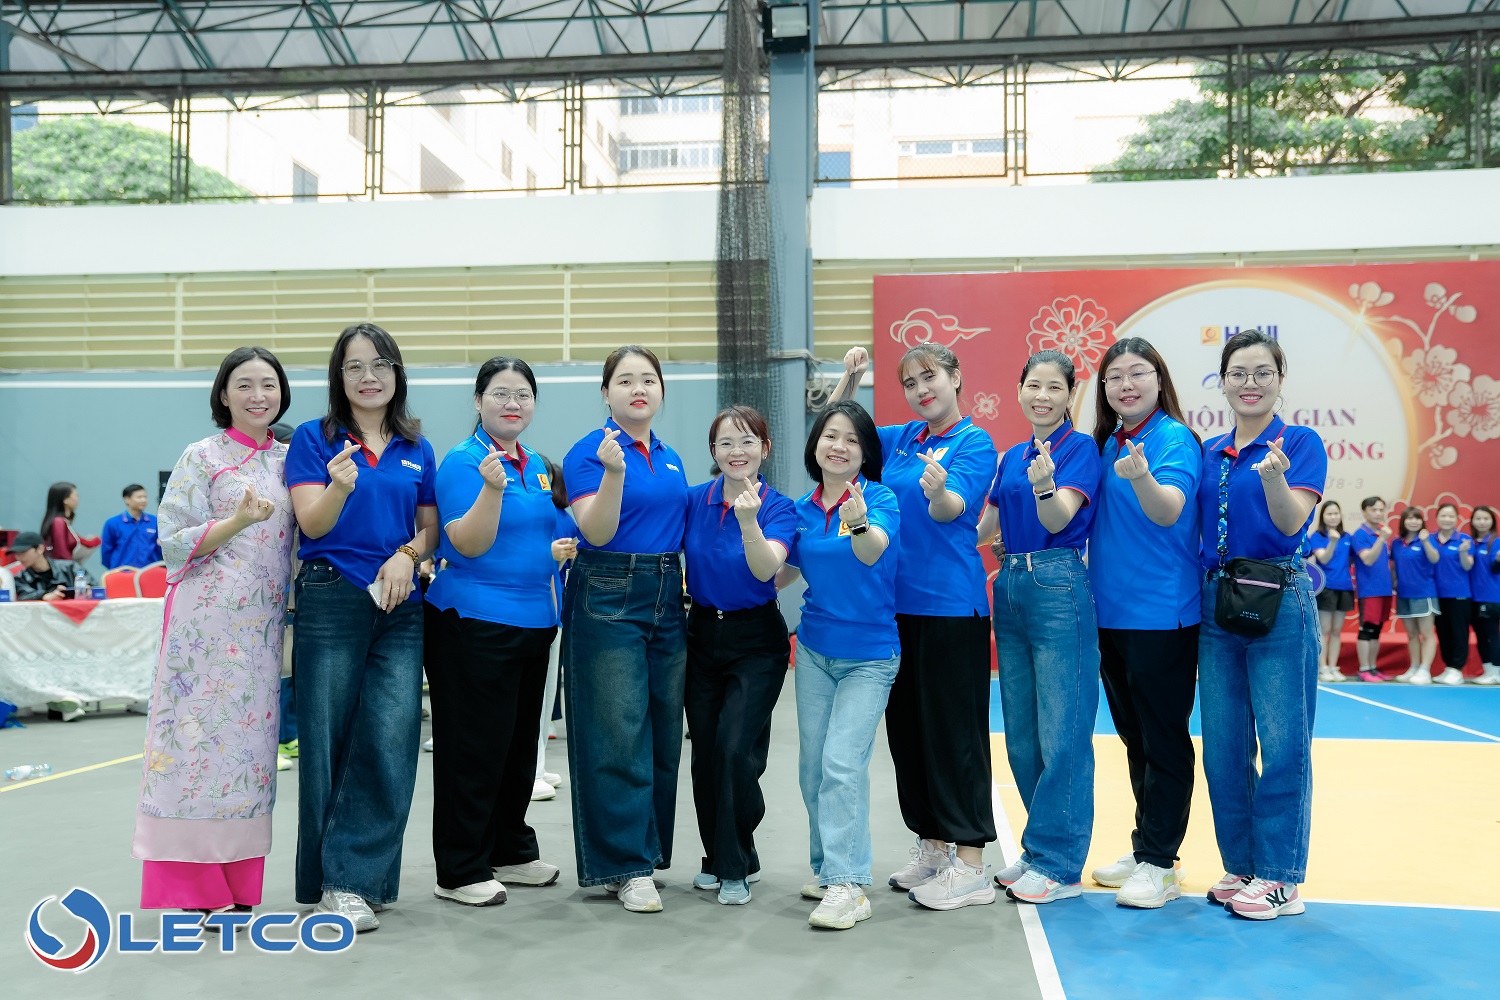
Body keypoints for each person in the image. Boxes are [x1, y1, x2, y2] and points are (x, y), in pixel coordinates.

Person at [830, 344, 998, 911]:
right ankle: (932, 845)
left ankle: (970, 864)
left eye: (930, 377)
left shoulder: (975, 442)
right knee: (909, 735)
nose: (921, 390)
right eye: (909, 383)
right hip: (894, 609)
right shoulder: (902, 438)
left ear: (955, 377)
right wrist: (849, 379)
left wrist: (938, 492)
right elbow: (837, 435)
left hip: (950, 608)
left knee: (955, 737)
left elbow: (952, 510)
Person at [131, 346, 294, 927]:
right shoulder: (201, 456)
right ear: (223, 395)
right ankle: (193, 885)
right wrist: (238, 521)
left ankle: (240, 882)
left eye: (268, 384)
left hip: (260, 633)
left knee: (248, 755)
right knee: (193, 748)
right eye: (244, 384)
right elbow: (172, 539)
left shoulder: (291, 459)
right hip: (202, 629)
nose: (258, 395)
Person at [286, 322, 439, 932]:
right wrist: (338, 486)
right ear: (338, 377)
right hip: (332, 596)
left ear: (397, 373)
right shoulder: (313, 438)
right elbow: (312, 525)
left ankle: (359, 877)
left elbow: (430, 528)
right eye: (354, 366)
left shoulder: (416, 446)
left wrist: (407, 555)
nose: (368, 376)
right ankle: (333, 882)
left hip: (400, 603)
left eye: (380, 364)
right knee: (327, 741)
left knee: (391, 738)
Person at [423, 357, 573, 908]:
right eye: (500, 393)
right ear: (478, 400)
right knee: (473, 748)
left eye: (523, 394)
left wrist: (557, 549)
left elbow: (542, 531)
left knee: (517, 748)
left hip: (535, 621)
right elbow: (466, 542)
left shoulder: (537, 465)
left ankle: (509, 849)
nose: (513, 403)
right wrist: (490, 490)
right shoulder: (464, 462)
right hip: (474, 623)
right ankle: (460, 867)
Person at [1196, 329, 1327, 921]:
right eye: (1238, 373)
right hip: (1217, 601)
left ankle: (1280, 876)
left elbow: (1291, 524)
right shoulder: (1209, 452)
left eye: (1262, 373)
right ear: (1223, 382)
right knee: (1223, 746)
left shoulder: (1299, 442)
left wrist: (1275, 479)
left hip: (1278, 598)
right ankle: (1243, 864)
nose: (1250, 383)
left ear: (1279, 379)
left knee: (1283, 744)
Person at [561, 344, 690, 914]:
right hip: (608, 589)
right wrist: (614, 473)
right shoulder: (589, 452)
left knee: (662, 731)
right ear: (606, 392)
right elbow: (597, 530)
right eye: (626, 380)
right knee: (616, 730)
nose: (639, 389)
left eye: (649, 380)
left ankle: (646, 852)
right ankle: (624, 864)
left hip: (666, 591)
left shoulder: (670, 457)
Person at [975, 350, 1103, 906]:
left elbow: (1058, 518)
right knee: (1023, 735)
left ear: (1071, 394)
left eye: (1054, 387)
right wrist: (936, 505)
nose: (1042, 396)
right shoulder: (1010, 456)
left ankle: (1061, 864)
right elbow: (985, 527)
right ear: (1019, 390)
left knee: (1062, 733)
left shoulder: (1080, 449)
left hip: (1058, 585)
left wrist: (1047, 486)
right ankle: (1039, 847)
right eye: (1033, 385)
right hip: (1010, 585)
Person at [1084, 337, 1202, 909]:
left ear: (1160, 379)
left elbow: (1168, 509)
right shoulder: (1106, 442)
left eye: (1137, 373)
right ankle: (1148, 845)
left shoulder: (1174, 438)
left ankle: (1161, 862)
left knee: (1164, 739)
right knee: (1135, 737)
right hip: (1111, 613)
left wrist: (1141, 477)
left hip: (1163, 614)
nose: (1125, 385)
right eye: (1114, 377)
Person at [780, 400, 900, 930]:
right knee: (813, 768)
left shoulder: (880, 499)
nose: (839, 446)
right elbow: (781, 572)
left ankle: (848, 886)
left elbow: (872, 551)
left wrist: (858, 522)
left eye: (852, 439)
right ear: (816, 446)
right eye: (831, 435)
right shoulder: (801, 510)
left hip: (869, 657)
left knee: (841, 765)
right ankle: (830, 868)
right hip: (813, 651)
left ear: (865, 452)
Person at [682, 405, 796, 906]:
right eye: (726, 443)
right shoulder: (694, 501)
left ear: (764, 449)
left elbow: (766, 569)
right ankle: (722, 855)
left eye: (748, 441)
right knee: (707, 754)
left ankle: (734, 865)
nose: (737, 451)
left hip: (757, 641)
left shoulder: (778, 507)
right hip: (702, 634)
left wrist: (749, 522)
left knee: (734, 749)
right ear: (713, 451)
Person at [532, 457, 572, 802]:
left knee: (545, 697)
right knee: (532, 698)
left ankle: (537, 765)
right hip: (524, 613)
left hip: (552, 614)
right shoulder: (527, 512)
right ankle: (530, 771)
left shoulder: (559, 516)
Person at [1307, 501, 1356, 682]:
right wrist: (1333, 542)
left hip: (1345, 587)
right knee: (1325, 629)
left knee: (1337, 630)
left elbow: (1351, 560)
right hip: (1326, 587)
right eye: (1329, 514)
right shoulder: (1317, 537)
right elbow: (1324, 559)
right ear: (1323, 517)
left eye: (1336, 513)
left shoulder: (1347, 537)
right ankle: (1323, 667)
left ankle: (1333, 666)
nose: (1333, 517)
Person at [1391, 507, 1441, 685]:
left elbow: (1435, 558)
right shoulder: (1397, 543)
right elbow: (1394, 567)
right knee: (1412, 634)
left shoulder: (1428, 539)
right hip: (1404, 594)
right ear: (1403, 522)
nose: (1413, 522)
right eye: (1409, 518)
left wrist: (1426, 542)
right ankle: (1414, 666)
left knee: (1426, 634)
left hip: (1424, 593)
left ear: (1422, 521)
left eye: (1417, 518)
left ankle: (1425, 670)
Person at [1349, 497, 1395, 683]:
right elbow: (1367, 559)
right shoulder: (1360, 535)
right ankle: (1364, 669)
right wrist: (1382, 538)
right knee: (1367, 630)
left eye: (1381, 510)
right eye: (1374, 510)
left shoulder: (1380, 533)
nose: (1378, 513)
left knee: (1377, 630)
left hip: (1385, 589)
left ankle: (1373, 668)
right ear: (1364, 511)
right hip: (1369, 590)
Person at [1430, 502, 1474, 686]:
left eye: (1451, 516)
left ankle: (1457, 669)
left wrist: (1463, 553)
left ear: (1457, 519)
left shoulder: (1464, 540)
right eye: (1443, 516)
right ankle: (1449, 667)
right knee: (1443, 632)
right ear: (1437, 518)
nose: (1447, 519)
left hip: (1459, 595)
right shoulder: (1429, 539)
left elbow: (1468, 565)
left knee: (1459, 632)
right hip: (1435, 594)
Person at [1467, 506, 1500, 685]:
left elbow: (1496, 568)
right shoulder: (1469, 542)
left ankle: (1497, 671)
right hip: (1473, 597)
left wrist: (1498, 560)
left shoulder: (1496, 542)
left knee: (1492, 635)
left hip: (1491, 597)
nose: (1482, 522)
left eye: (1486, 519)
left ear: (1492, 522)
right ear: (1472, 521)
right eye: (1478, 519)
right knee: (1480, 635)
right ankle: (1488, 671)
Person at [99, 484, 163, 569]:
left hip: (148, 572)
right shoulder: (113, 523)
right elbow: (106, 552)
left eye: (145, 497)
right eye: (139, 497)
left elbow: (160, 549)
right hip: (122, 572)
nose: (143, 500)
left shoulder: (155, 522)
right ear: (127, 499)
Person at [40, 482, 100, 567]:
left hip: (64, 568)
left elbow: (83, 541)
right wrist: (73, 570)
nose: (78, 499)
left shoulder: (62, 521)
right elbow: (62, 554)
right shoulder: (58, 522)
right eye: (76, 495)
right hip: (63, 570)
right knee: (82, 574)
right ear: (66, 500)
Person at [7, 531, 79, 602]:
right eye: (16, 553)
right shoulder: (20, 578)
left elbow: (85, 587)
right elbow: (23, 595)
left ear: (40, 549)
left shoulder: (71, 568)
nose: (19, 558)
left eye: (23, 552)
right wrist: (44, 596)